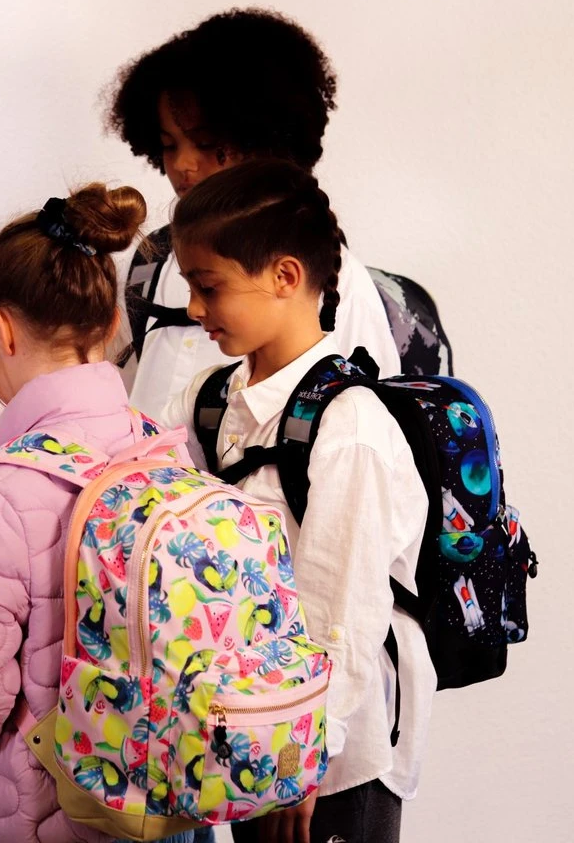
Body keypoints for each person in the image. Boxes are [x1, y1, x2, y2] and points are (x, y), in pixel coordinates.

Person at [161, 160, 433, 843]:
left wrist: (298, 760)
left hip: (332, 761)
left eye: (209, 286)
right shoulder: (210, 400)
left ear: (285, 276)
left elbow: (341, 614)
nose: (193, 309)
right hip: (246, 727)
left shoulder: (351, 428)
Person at [0, 183, 161, 843]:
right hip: (157, 794)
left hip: (38, 813)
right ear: (109, 325)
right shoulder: (160, 446)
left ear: (2, 329)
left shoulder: (2, 488)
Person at [107, 9, 399, 419]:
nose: (184, 164)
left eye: (207, 144)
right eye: (169, 145)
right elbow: (116, 393)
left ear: (265, 140)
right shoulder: (148, 265)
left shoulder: (337, 282)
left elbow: (372, 415)